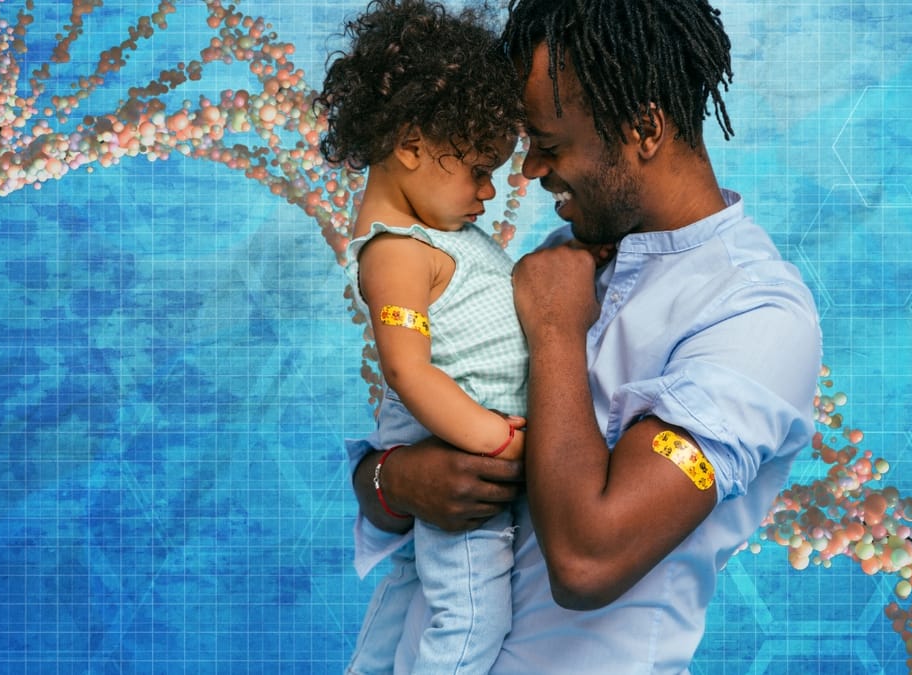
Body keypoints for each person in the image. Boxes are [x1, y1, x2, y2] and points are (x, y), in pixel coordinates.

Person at [349, 0, 823, 672]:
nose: (528, 171)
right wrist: (400, 481)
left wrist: (555, 333)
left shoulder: (757, 317)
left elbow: (586, 557)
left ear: (644, 126)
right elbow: (385, 467)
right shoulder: (559, 259)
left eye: (549, 142)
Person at [315, 1, 531, 673]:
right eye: (476, 169)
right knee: (469, 620)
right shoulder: (396, 253)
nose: (491, 191)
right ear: (410, 146)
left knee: (411, 594)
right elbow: (409, 370)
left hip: (461, 436)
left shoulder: (434, 234)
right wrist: (493, 437)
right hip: (464, 453)